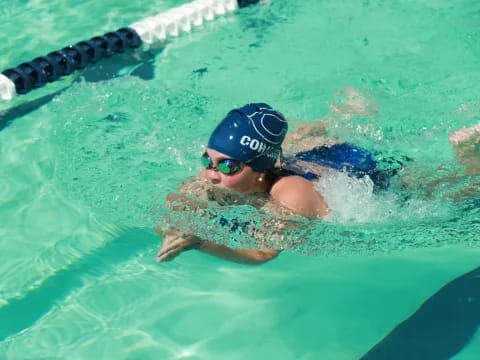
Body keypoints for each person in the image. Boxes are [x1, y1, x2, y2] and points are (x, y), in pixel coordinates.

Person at [156, 101, 480, 265]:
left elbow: (263, 253)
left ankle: (469, 153)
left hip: (371, 176)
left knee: (464, 191)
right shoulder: (214, 177)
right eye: (206, 160)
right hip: (323, 158)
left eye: (227, 165)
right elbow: (176, 202)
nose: (211, 173)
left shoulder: (290, 195)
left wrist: (202, 242)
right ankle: (351, 114)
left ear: (258, 170)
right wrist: (176, 225)